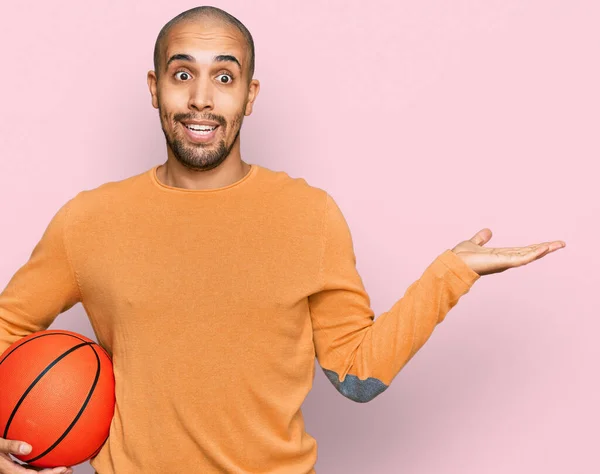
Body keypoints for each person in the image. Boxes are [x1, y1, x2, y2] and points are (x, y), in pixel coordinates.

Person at [0, 6, 565, 474]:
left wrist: (452, 272)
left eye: (224, 77)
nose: (202, 99)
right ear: (155, 88)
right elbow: (8, 327)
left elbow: (357, 377)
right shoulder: (88, 220)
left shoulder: (309, 215)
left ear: (250, 94)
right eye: (181, 74)